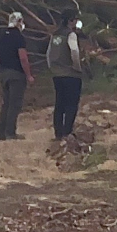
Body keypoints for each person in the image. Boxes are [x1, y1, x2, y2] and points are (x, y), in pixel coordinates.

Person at [0, 12, 35, 140]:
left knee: (5, 103)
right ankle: (10, 132)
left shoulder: (0, 36)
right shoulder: (19, 37)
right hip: (16, 74)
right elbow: (23, 58)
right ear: (19, 21)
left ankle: (0, 132)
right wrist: (28, 75)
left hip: (3, 72)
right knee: (14, 103)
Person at [47, 11, 85, 140]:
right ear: (70, 21)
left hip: (57, 74)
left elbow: (48, 54)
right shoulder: (71, 35)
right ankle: (67, 131)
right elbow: (74, 51)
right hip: (71, 74)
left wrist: (52, 68)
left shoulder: (55, 35)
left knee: (59, 103)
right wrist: (77, 67)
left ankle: (58, 132)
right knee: (71, 104)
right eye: (75, 20)